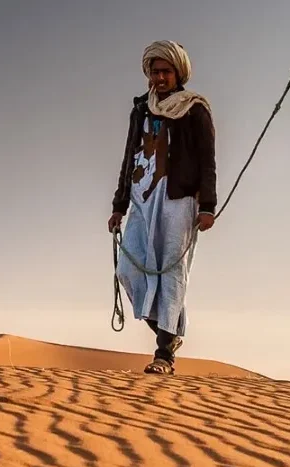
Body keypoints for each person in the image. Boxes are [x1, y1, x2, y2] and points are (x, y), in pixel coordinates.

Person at [108, 40, 217, 375]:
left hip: (179, 198)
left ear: (177, 72)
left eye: (166, 71)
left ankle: (164, 355)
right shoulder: (141, 109)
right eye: (154, 71)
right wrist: (119, 205)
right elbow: (129, 157)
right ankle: (169, 333)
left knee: (171, 274)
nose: (159, 77)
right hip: (142, 198)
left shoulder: (194, 109)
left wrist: (207, 204)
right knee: (128, 270)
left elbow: (206, 160)